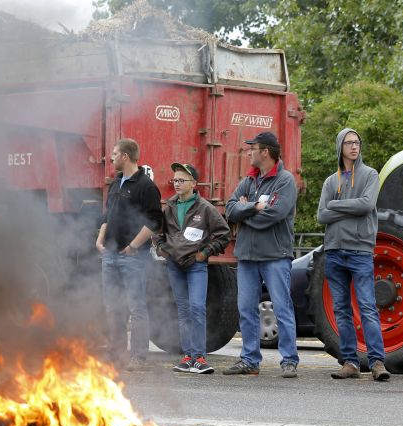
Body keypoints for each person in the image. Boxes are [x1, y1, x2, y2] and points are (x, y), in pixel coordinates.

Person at [223, 131, 300, 378]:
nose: (248, 152)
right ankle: (249, 360)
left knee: (282, 307)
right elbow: (230, 209)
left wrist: (245, 217)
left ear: (265, 151)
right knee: (245, 308)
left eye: (252, 148)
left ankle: (289, 360)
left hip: (276, 255)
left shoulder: (285, 181)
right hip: (247, 256)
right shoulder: (249, 181)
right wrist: (253, 207)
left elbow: (275, 215)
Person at [317, 128, 390, 381]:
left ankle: (377, 362)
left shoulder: (370, 175)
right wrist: (349, 208)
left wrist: (335, 205)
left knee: (368, 307)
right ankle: (350, 362)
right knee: (341, 310)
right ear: (340, 147)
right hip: (334, 251)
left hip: (360, 250)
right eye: (349, 143)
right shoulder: (330, 181)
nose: (354, 147)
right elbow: (321, 215)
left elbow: (367, 205)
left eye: (357, 142)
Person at [155, 163, 231, 374]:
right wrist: (162, 249)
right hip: (174, 266)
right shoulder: (169, 206)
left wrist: (204, 254)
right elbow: (157, 232)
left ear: (193, 184)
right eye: (175, 180)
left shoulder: (205, 208)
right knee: (183, 311)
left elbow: (223, 233)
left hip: (196, 266)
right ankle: (188, 357)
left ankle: (200, 358)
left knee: (197, 308)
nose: (177, 184)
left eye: (182, 180)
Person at [96, 138, 163, 371]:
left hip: (133, 257)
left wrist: (133, 246)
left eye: (114, 154)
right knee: (112, 305)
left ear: (125, 156)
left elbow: (155, 220)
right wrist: (100, 238)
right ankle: (116, 353)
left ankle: (138, 356)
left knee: (136, 306)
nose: (111, 158)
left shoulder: (146, 186)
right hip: (110, 254)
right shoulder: (115, 184)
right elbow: (107, 215)